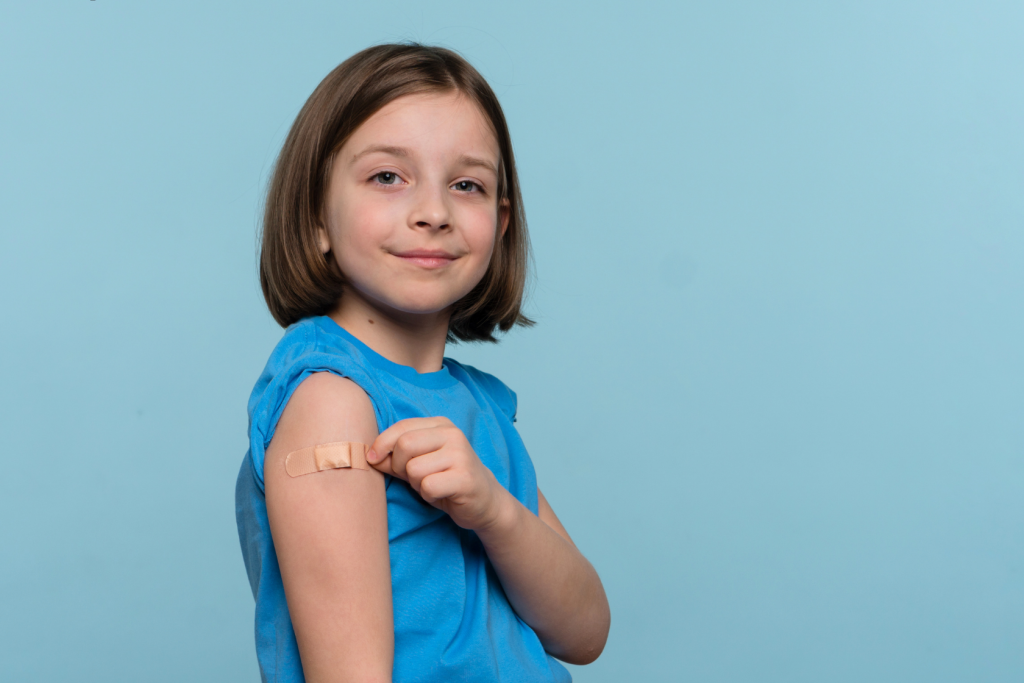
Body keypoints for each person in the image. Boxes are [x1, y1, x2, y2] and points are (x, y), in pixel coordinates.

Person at [235, 43, 611, 683]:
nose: (433, 213)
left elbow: (584, 631)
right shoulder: (332, 401)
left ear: (499, 222)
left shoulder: (477, 408)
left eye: (467, 185)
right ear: (316, 214)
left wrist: (492, 510)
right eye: (387, 176)